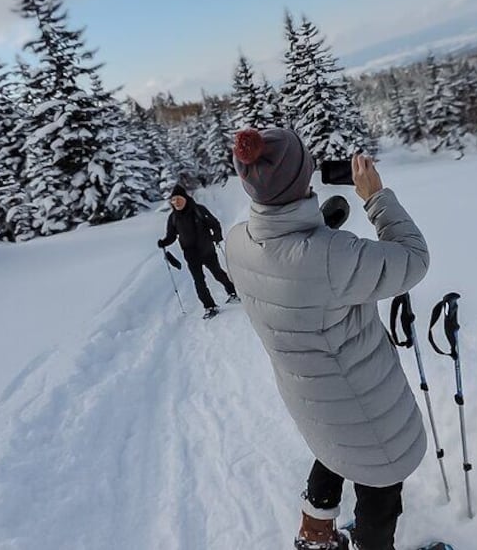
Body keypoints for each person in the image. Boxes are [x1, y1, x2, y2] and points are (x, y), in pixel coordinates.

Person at [225, 128, 430, 550]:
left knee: (333, 448)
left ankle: (315, 532)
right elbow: (412, 259)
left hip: (309, 399)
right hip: (366, 406)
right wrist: (376, 196)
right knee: (380, 490)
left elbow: (289, 264)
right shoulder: (333, 257)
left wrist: (319, 231)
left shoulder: (236, 242)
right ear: (303, 179)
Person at [157, 184, 238, 319]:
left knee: (218, 273)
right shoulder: (173, 218)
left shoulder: (199, 210)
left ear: (185, 198)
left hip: (207, 250)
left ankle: (232, 292)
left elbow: (215, 223)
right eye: (173, 200)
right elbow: (171, 236)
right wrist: (164, 242)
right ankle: (210, 306)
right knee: (199, 281)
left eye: (178, 199)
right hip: (191, 254)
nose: (176, 202)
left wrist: (217, 236)